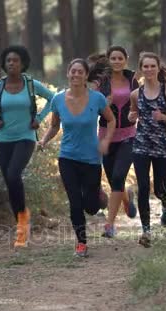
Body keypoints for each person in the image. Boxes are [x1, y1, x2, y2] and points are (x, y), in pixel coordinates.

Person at [0, 45, 55, 248]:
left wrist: (39, 117)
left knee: (13, 175)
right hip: (3, 139)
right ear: (4, 64)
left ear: (23, 64)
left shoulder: (31, 84)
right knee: (11, 183)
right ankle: (22, 224)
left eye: (16, 60)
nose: (12, 63)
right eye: (8, 60)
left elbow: (52, 99)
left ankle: (22, 226)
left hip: (26, 137)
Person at [38, 58, 116, 257]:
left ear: (86, 75)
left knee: (90, 207)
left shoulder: (97, 98)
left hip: (91, 158)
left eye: (80, 72)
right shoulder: (58, 99)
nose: (76, 75)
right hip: (68, 157)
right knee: (75, 202)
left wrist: (106, 140)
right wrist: (44, 141)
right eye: (73, 71)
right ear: (68, 74)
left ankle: (98, 195)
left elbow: (111, 119)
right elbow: (55, 126)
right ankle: (81, 243)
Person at [128, 52, 166, 248]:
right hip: (141, 146)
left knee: (159, 189)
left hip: (162, 148)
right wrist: (132, 117)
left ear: (158, 68)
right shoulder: (135, 94)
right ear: (141, 69)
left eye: (152, 66)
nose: (149, 69)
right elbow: (133, 113)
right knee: (143, 187)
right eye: (146, 66)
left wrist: (163, 117)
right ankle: (146, 230)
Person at [88, 46, 139, 238]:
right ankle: (126, 196)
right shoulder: (101, 83)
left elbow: (141, 103)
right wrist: (103, 105)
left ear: (126, 59)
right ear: (108, 60)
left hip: (129, 135)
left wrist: (137, 113)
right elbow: (90, 105)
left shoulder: (132, 80)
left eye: (120, 58)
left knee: (118, 176)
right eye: (113, 58)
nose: (117, 61)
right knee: (113, 179)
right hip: (106, 136)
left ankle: (109, 224)